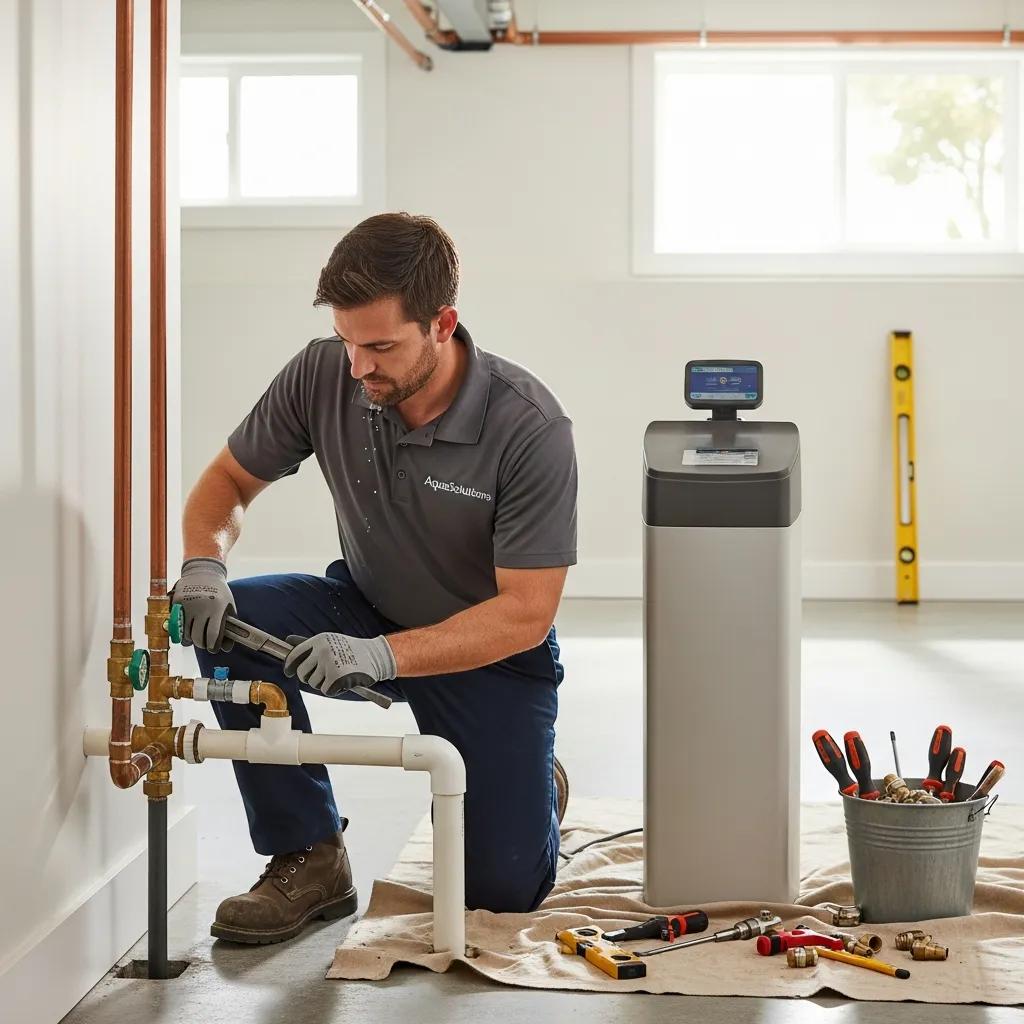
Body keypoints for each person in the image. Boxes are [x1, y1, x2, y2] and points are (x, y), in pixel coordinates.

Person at [170, 212, 578, 945]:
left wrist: (384, 657)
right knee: (232, 627)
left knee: (500, 892)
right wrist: (205, 560)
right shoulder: (326, 370)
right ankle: (310, 854)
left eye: (382, 346)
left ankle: (533, 791)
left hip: (490, 656)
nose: (358, 367)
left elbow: (527, 612)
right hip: (362, 604)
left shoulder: (530, 428)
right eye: (348, 341)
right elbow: (227, 480)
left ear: (443, 323)